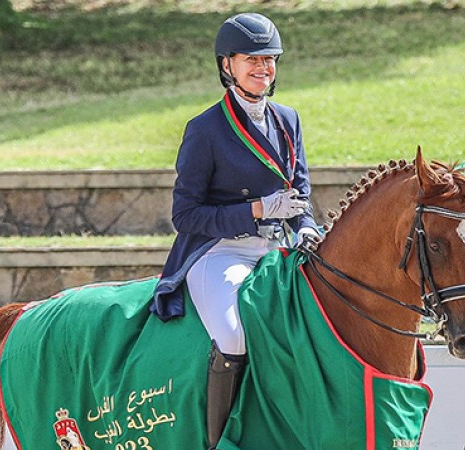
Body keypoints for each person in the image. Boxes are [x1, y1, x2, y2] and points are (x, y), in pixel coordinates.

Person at [149, 12, 319, 449]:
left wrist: (304, 227)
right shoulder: (205, 130)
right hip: (219, 252)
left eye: (271, 59)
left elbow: (299, 189)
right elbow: (185, 215)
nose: (264, 68)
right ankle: (217, 440)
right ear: (228, 65)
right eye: (252, 59)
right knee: (232, 333)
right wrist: (256, 209)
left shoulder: (287, 120)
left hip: (276, 253)